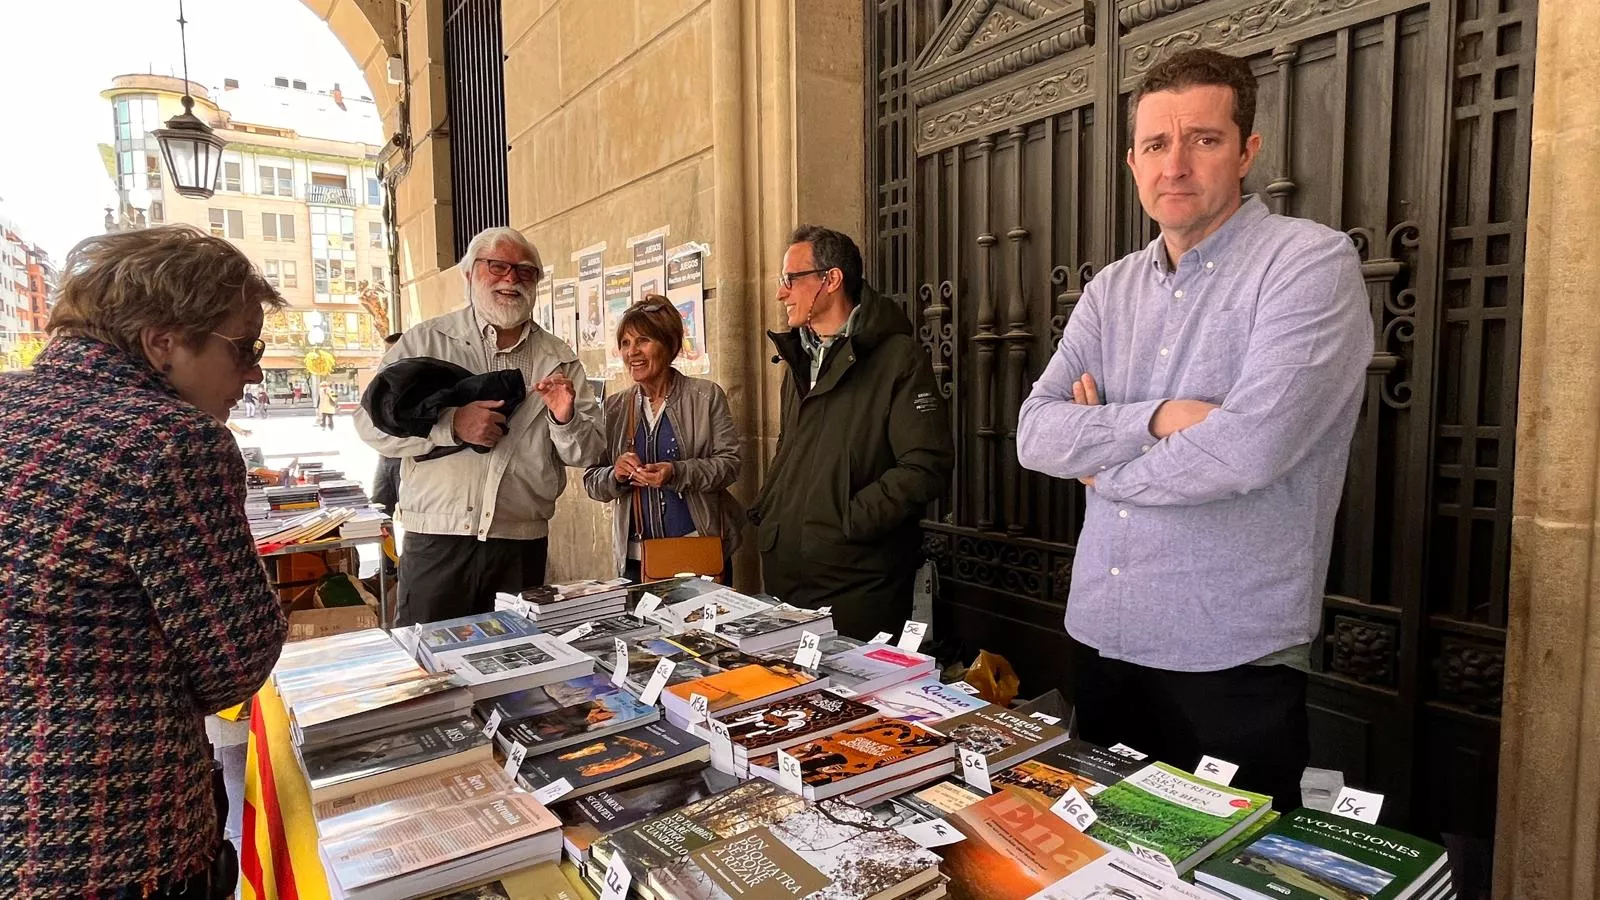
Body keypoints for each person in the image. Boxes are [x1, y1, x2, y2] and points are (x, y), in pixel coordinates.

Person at [1015, 49, 1371, 811]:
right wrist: (1158, 419)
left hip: (1231, 658)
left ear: (1248, 150)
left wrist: (1102, 463)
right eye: (1154, 144)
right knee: (1101, 862)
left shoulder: (1309, 265)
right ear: (1132, 161)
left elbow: (1247, 449)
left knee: (1228, 879)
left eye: (1203, 140)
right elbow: (1035, 432)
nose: (1174, 164)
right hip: (1103, 641)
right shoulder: (1111, 289)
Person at [0, 226, 288, 898]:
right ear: (163, 342)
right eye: (243, 347)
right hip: (110, 833)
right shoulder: (171, 442)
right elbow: (236, 663)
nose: (251, 372)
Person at [355, 226, 606, 626]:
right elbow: (371, 427)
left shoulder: (559, 359)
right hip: (438, 539)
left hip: (520, 544)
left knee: (515, 665)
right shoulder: (427, 342)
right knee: (429, 667)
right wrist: (451, 425)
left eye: (525, 272)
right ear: (470, 273)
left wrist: (565, 419)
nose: (511, 279)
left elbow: (590, 452)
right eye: (498, 266)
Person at [751, 225, 953, 640]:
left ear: (831, 279)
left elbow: (925, 466)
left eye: (790, 279)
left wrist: (847, 521)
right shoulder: (798, 357)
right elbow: (791, 450)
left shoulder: (898, 358)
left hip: (858, 586)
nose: (780, 293)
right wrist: (771, 509)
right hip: (786, 581)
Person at [582, 298, 743, 581]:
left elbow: (730, 464)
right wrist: (616, 475)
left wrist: (677, 472)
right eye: (625, 343)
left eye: (643, 341)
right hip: (636, 560)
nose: (632, 352)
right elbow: (592, 480)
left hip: (696, 549)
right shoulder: (615, 408)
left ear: (669, 344)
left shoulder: (705, 397)